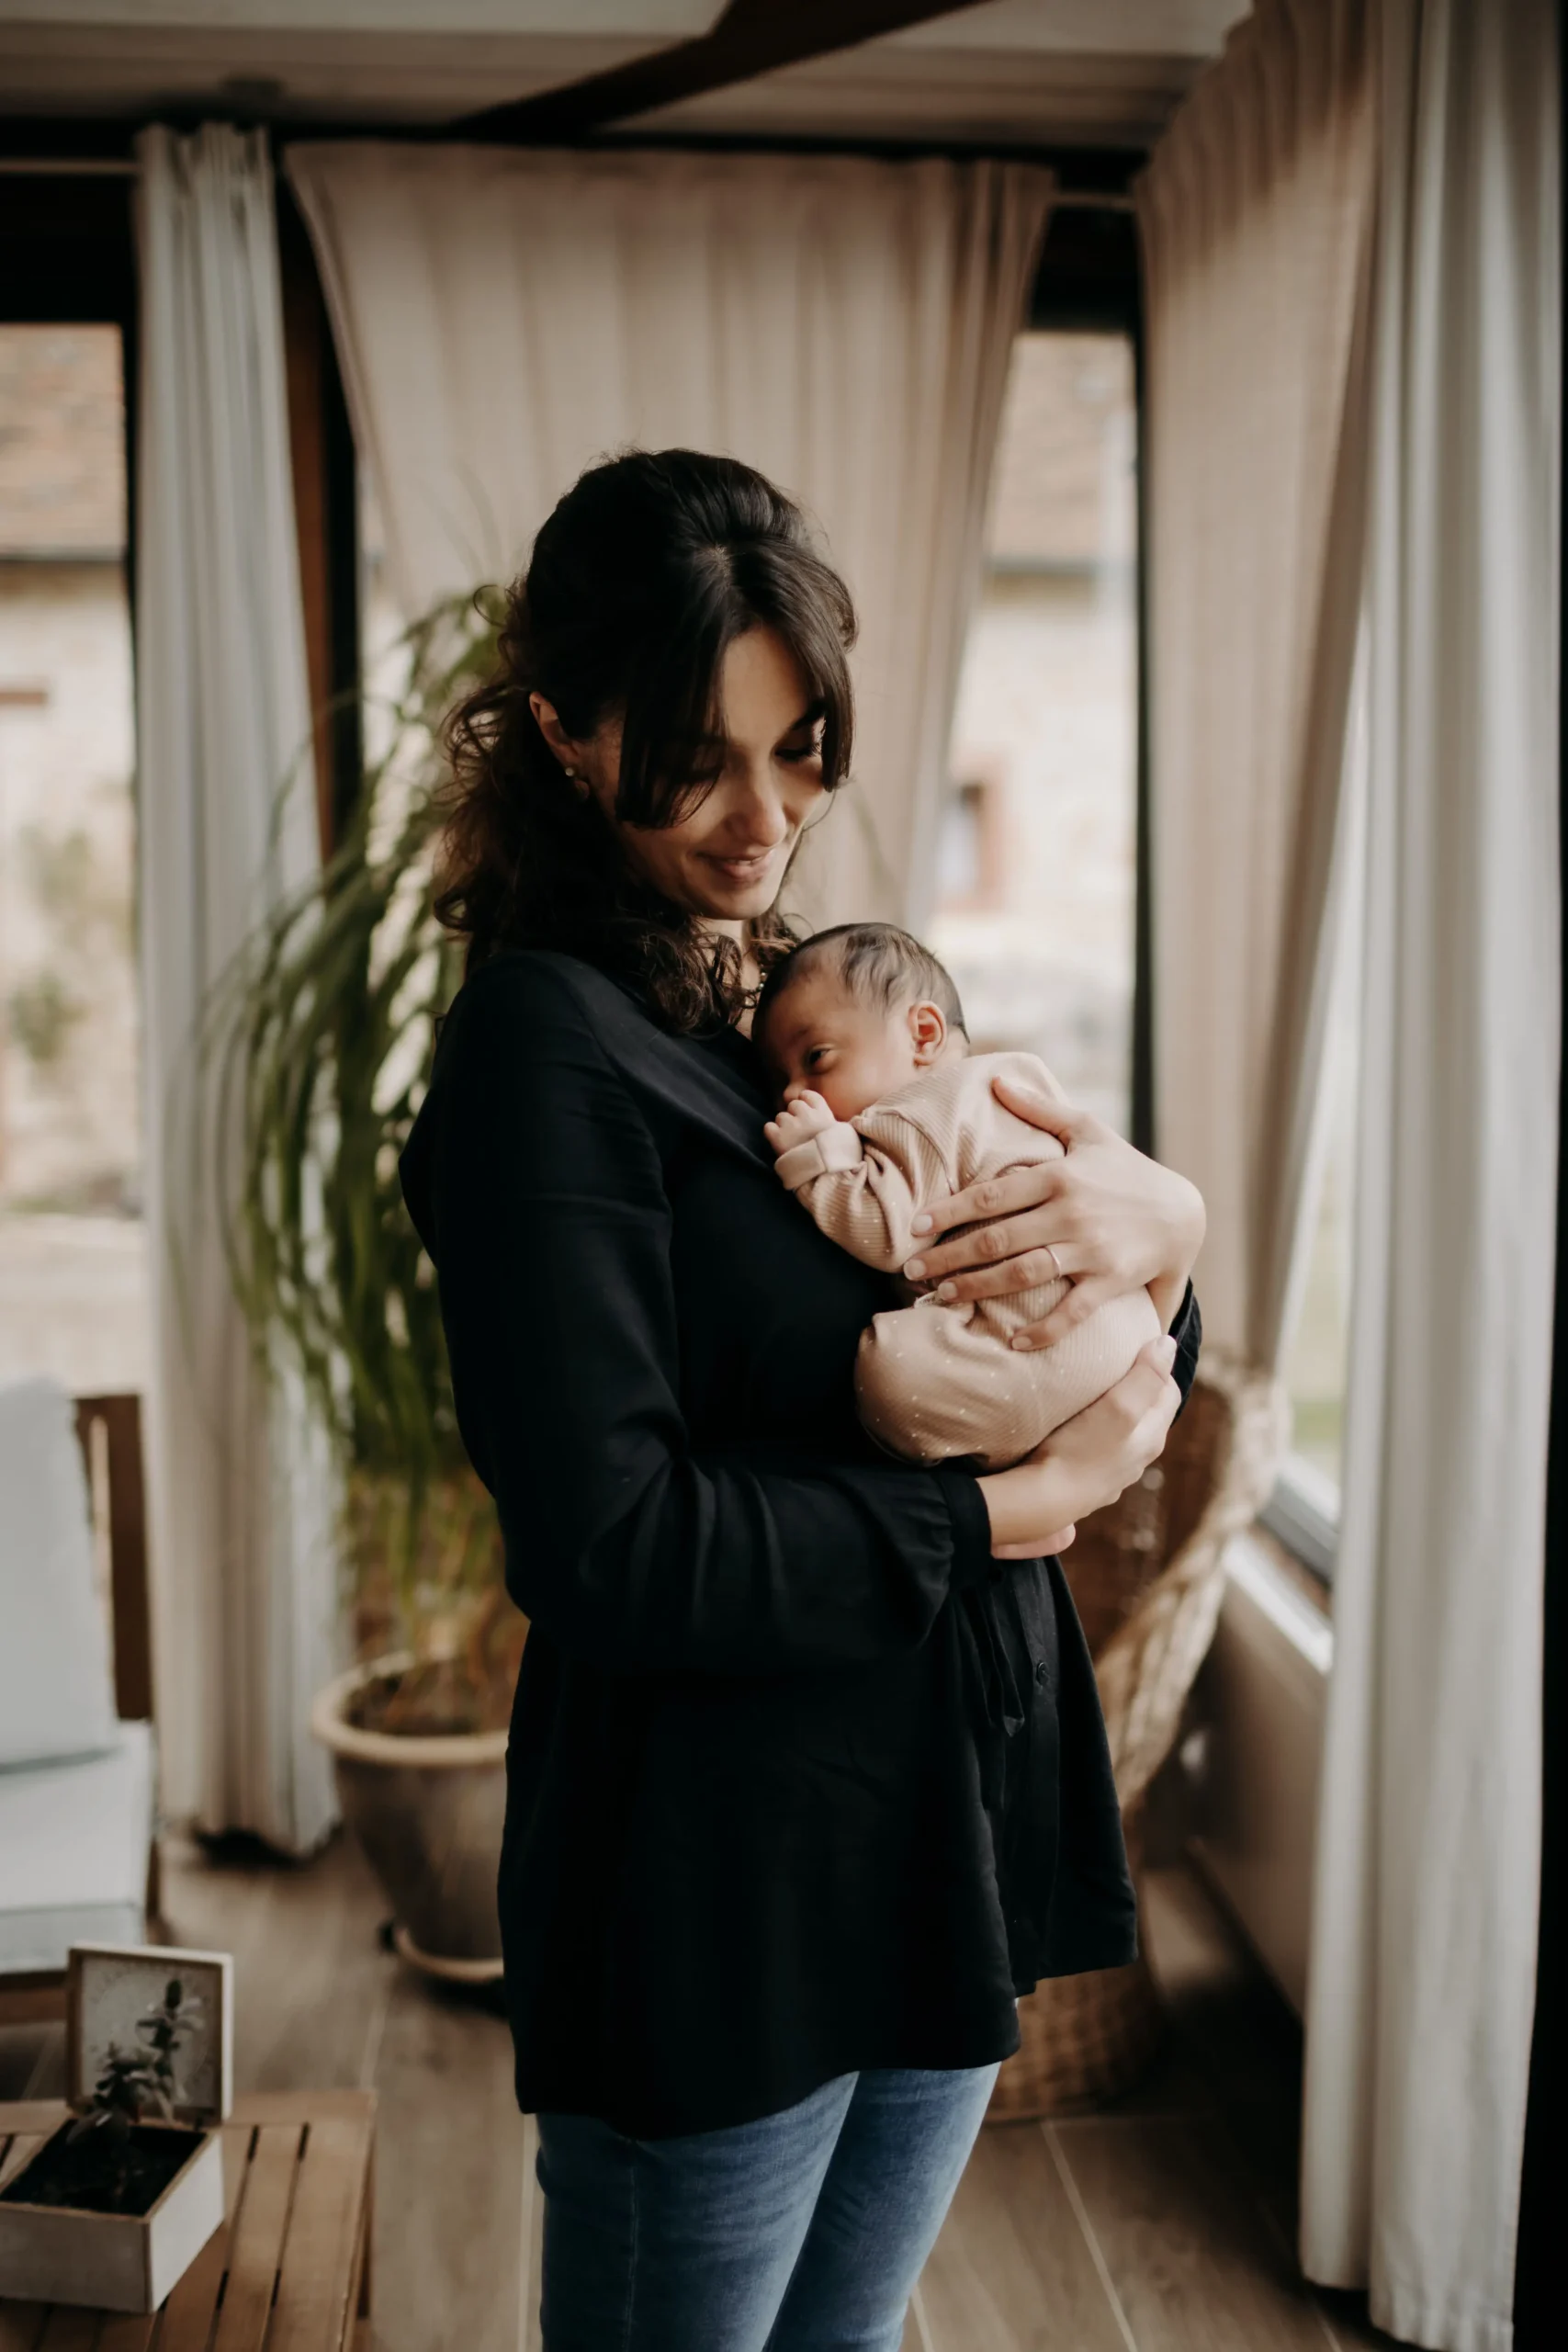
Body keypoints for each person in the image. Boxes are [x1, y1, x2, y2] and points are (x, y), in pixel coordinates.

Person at [397, 448, 1204, 2352]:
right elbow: (610, 1547)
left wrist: (1162, 1229)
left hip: (945, 1814)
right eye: (700, 756)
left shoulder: (763, 998)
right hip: (723, 1874)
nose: (765, 816)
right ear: (565, 732)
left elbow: (1010, 1265)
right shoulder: (543, 1047)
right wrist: (989, 1517)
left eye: (800, 749)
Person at [754, 920, 1163, 1472]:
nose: (792, 1094)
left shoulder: (918, 1113)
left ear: (924, 1034)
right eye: (780, 1077)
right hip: (1126, 1341)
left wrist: (815, 1159)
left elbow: (889, 1234)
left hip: (1030, 1358)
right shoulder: (1011, 1085)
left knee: (887, 1372)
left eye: (817, 1058)